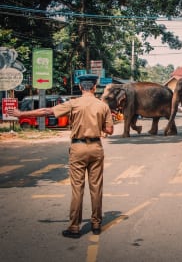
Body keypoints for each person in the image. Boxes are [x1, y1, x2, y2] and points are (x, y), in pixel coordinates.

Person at [8, 74, 114, 238]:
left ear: (80, 87)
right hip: (96, 148)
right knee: (96, 187)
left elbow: (46, 111)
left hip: (78, 148)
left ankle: (74, 228)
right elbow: (109, 131)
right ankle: (96, 223)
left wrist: (21, 114)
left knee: (77, 189)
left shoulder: (73, 104)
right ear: (94, 87)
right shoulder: (103, 106)